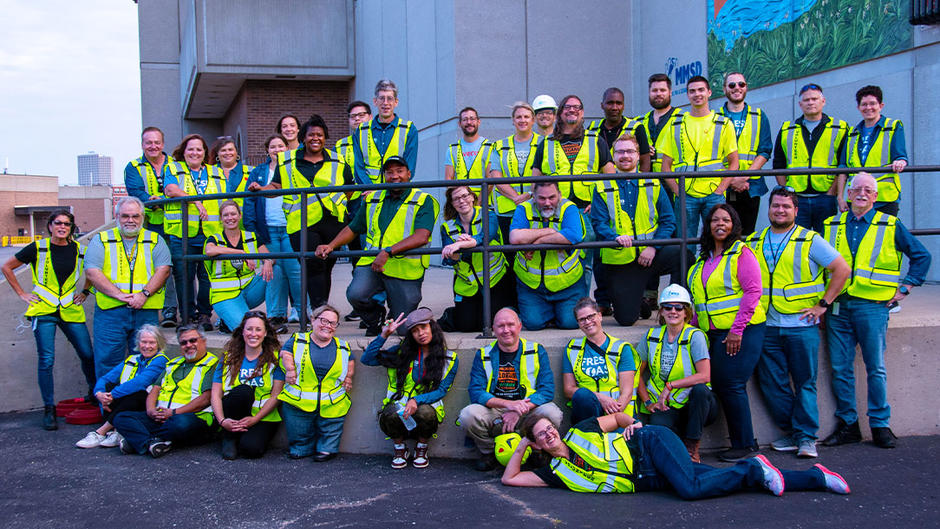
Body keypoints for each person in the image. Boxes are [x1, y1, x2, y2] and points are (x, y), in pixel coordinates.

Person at [821, 172, 931, 449]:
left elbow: (921, 256)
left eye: (867, 190)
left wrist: (905, 288)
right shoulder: (830, 224)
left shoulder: (891, 224)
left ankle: (880, 425)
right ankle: (848, 425)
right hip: (837, 307)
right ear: (847, 194)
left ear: (876, 196)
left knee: (876, 369)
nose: (861, 193)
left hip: (872, 308)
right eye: (855, 188)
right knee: (840, 369)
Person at [501, 414, 852, 499]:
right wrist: (521, 446)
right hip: (650, 477)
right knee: (707, 480)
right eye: (540, 435)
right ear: (538, 444)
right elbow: (510, 478)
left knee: (691, 489)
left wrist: (634, 422)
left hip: (651, 444)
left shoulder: (582, 429)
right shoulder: (555, 473)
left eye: (549, 428)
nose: (548, 434)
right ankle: (815, 478)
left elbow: (622, 417)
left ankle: (751, 466)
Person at [746, 186, 850, 458]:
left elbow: (842, 269)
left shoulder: (810, 239)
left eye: (786, 206)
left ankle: (806, 438)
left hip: (801, 326)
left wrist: (823, 305)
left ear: (796, 210)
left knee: (805, 382)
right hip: (767, 324)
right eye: (776, 205)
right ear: (768, 209)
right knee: (771, 382)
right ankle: (794, 432)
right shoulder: (755, 241)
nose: (780, 210)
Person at [316, 156, 438, 336]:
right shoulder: (373, 198)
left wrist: (388, 252)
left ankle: (396, 310)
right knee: (356, 294)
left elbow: (422, 236)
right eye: (389, 172)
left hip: (404, 268)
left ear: (409, 174)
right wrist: (331, 245)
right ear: (384, 176)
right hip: (372, 263)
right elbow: (354, 227)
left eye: (399, 171)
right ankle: (375, 318)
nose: (394, 176)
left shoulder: (424, 199)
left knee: (403, 330)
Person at [1, 209, 96, 430]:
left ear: (72, 227)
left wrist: (85, 292)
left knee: (87, 354)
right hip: (43, 310)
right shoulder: (38, 247)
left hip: (70, 310)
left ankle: (93, 393)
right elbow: (7, 267)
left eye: (67, 224)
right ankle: (49, 409)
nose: (62, 227)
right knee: (46, 360)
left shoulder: (81, 250)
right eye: (58, 223)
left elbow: (92, 272)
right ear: (50, 225)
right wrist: (22, 294)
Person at [687, 203, 765, 462]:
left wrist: (737, 330)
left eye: (726, 220)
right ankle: (742, 441)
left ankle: (745, 444)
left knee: (731, 384)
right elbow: (700, 301)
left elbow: (753, 292)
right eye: (715, 220)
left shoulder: (742, 253)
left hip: (741, 331)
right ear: (708, 225)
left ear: (734, 225)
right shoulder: (704, 258)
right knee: (720, 383)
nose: (720, 224)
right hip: (713, 334)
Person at [259, 114, 352, 310]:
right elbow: (276, 186)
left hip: (333, 222)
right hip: (301, 223)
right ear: (303, 138)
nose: (315, 138)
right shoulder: (287, 160)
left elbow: (350, 188)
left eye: (319, 135)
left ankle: (322, 309)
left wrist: (341, 200)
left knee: (326, 267)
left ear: (325, 137)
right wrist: (261, 190)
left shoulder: (338, 160)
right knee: (314, 263)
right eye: (311, 135)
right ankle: (319, 310)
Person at [590, 133, 683, 326]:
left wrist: (653, 246)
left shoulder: (652, 182)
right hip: (621, 259)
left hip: (651, 255)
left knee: (683, 254)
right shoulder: (601, 185)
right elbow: (599, 223)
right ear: (613, 156)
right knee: (626, 319)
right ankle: (637, 301)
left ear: (638, 155)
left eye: (630, 151)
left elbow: (668, 221)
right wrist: (615, 237)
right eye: (620, 151)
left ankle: (672, 306)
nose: (625, 156)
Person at [530, 94, 616, 296]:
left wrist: (598, 204)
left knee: (589, 259)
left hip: (588, 209)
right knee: (559, 258)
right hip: (556, 210)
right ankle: (561, 302)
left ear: (582, 112)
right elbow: (535, 180)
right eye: (567, 107)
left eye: (577, 107)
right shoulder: (546, 143)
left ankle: (584, 303)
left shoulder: (596, 140)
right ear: (560, 113)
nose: (572, 110)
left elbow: (610, 177)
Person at [458, 308, 563, 471]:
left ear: (519, 326)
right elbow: (476, 392)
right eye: (500, 326)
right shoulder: (483, 354)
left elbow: (547, 390)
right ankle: (490, 452)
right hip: (496, 410)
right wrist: (508, 405)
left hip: (527, 409)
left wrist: (519, 410)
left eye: (510, 325)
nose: (506, 330)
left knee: (552, 413)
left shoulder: (536, 350)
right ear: (493, 329)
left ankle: (537, 451)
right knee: (468, 415)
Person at [361, 307, 459, 469]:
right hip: (398, 410)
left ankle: (421, 448)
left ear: (432, 328)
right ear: (411, 336)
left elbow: (442, 391)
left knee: (425, 412)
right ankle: (400, 448)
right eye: (415, 331)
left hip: (425, 412)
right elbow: (367, 359)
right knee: (389, 413)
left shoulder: (449, 359)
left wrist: (416, 400)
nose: (420, 333)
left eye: (423, 328)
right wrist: (384, 335)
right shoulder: (400, 353)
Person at [84, 197, 171, 379]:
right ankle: (109, 405)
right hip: (110, 311)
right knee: (107, 361)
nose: (130, 220)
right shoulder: (101, 240)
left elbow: (163, 270)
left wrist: (144, 294)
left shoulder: (156, 240)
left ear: (142, 217)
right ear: (117, 216)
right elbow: (92, 272)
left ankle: (140, 406)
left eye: (135, 216)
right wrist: (120, 296)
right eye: (125, 216)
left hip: (145, 309)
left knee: (147, 360)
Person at [635, 284, 717, 463]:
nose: (673, 311)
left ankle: (692, 447)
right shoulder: (651, 336)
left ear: (686, 311)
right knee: (658, 431)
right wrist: (647, 401)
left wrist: (671, 385)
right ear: (661, 311)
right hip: (665, 405)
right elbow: (636, 374)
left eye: (678, 307)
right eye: (667, 307)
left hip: (696, 407)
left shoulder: (695, 336)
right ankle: (678, 445)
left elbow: (705, 376)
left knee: (701, 390)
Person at [112, 324, 219, 457]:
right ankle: (151, 443)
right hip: (162, 416)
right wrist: (151, 411)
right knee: (121, 418)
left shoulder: (212, 363)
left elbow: (205, 399)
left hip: (192, 416)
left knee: (181, 424)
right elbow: (155, 390)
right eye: (184, 342)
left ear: (203, 341)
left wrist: (173, 413)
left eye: (193, 340)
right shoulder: (173, 364)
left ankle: (139, 440)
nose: (189, 345)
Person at [659, 75, 739, 242]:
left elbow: (734, 162)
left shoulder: (723, 124)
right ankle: (689, 269)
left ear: (709, 92)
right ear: (687, 95)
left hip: (714, 193)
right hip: (685, 194)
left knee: (718, 241)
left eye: (701, 90)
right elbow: (665, 166)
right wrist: (677, 191)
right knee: (685, 243)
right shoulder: (675, 124)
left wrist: (721, 189)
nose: (697, 94)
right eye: (692, 91)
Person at [163, 133, 227, 329]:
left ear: (205, 152)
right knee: (184, 276)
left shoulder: (215, 171)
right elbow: (171, 190)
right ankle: (188, 316)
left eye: (199, 149)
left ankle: (205, 314)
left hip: (210, 232)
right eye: (190, 149)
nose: (195, 152)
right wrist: (196, 201)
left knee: (207, 276)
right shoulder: (173, 168)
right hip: (182, 234)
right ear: (184, 151)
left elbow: (224, 200)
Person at [278, 305, 354, 461]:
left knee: (331, 427)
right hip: (299, 399)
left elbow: (350, 361)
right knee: (299, 427)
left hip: (332, 400)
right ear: (313, 320)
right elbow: (285, 353)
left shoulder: (343, 346)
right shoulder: (298, 340)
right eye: (324, 320)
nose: (328, 326)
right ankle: (301, 447)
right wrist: (290, 369)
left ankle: (327, 448)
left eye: (333, 323)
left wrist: (348, 378)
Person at [75, 324, 169, 448]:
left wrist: (112, 395)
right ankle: (115, 431)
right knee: (108, 386)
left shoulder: (161, 360)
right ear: (138, 343)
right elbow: (105, 378)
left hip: (147, 405)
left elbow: (140, 382)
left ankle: (101, 432)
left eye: (152, 342)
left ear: (159, 344)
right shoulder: (132, 358)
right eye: (143, 342)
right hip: (126, 402)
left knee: (137, 393)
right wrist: (100, 394)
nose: (147, 346)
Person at [773, 83, 850, 232]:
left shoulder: (839, 128)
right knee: (798, 242)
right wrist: (787, 191)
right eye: (807, 100)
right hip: (797, 197)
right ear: (800, 104)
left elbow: (843, 164)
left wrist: (832, 193)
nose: (811, 103)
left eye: (814, 99)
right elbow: (778, 164)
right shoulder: (787, 129)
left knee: (826, 241)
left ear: (823, 101)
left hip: (825, 197)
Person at [509, 181, 586, 330]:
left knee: (570, 323)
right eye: (542, 198)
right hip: (531, 285)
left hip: (568, 283)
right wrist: (550, 232)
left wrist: (538, 242)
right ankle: (550, 312)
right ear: (533, 197)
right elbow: (515, 237)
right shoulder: (524, 208)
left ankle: (555, 312)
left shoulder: (568, 207)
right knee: (533, 324)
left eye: (552, 197)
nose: (547, 203)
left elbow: (573, 235)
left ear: (560, 195)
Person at [123, 126, 179, 327]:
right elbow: (136, 192)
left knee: (182, 267)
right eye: (149, 142)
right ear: (142, 145)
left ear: (163, 144)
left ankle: (190, 312)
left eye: (157, 142)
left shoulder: (176, 164)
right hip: (149, 226)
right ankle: (169, 310)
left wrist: (161, 199)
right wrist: (152, 200)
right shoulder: (133, 166)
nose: (153, 146)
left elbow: (182, 188)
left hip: (177, 225)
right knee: (162, 268)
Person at [210, 311, 285, 459]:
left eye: (258, 329)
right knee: (244, 391)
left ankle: (241, 439)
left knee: (252, 450)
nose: (253, 334)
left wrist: (255, 420)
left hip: (262, 416)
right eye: (249, 329)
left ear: (265, 333)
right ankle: (229, 437)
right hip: (231, 412)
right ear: (242, 332)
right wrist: (222, 421)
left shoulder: (276, 360)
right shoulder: (228, 358)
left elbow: (276, 396)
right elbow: (215, 394)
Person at [243, 134, 297, 334]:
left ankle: (302, 314)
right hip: (269, 229)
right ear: (267, 151)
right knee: (273, 272)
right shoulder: (258, 171)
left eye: (281, 146)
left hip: (291, 227)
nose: (277, 150)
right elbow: (249, 202)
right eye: (273, 146)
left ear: (287, 148)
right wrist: (253, 232)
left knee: (296, 270)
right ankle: (276, 315)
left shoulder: (294, 167)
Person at [440, 186, 512, 332]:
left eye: (465, 196)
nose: (462, 201)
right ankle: (451, 313)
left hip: (494, 278)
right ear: (452, 204)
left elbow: (486, 237)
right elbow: (449, 259)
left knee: (490, 323)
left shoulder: (488, 215)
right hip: (467, 283)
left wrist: (462, 243)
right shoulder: (447, 227)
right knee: (466, 326)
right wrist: (456, 251)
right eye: (456, 199)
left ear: (473, 197)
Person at [563, 298, 637, 425]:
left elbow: (627, 392)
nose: (587, 322)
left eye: (591, 316)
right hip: (587, 410)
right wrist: (599, 397)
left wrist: (614, 416)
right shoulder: (572, 348)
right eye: (582, 319)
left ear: (600, 316)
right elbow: (568, 389)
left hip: (616, 411)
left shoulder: (622, 348)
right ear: (578, 323)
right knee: (582, 395)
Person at [204, 201, 274, 333]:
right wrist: (241, 253)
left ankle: (274, 317)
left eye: (233, 214)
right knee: (245, 330)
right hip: (225, 295)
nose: (230, 218)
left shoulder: (251, 236)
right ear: (221, 219)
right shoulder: (214, 238)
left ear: (240, 215)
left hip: (249, 290)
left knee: (276, 270)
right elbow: (209, 251)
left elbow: (269, 256)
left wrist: (268, 261)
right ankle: (227, 318)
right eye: (225, 215)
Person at [717, 72, 773, 235]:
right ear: (724, 89)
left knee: (747, 235)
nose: (737, 88)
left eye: (741, 84)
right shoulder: (715, 117)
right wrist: (731, 180)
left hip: (750, 186)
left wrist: (742, 178)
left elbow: (764, 150)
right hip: (723, 186)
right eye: (732, 85)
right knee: (723, 234)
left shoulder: (759, 116)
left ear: (746, 87)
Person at [844, 85, 908, 216]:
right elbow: (843, 166)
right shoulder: (852, 133)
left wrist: (901, 161)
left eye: (873, 103)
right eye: (864, 104)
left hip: (885, 197)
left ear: (881, 105)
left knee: (885, 234)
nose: (868, 108)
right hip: (857, 197)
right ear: (858, 107)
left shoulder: (893, 126)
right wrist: (840, 197)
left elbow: (900, 155)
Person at [353, 79, 418, 185]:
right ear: (375, 101)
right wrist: (370, 189)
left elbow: (410, 167)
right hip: (368, 195)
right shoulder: (361, 130)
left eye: (390, 98)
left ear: (396, 102)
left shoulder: (409, 129)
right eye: (382, 98)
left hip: (396, 193)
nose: (385, 103)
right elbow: (358, 167)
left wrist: (393, 191)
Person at [493, 102, 540, 247]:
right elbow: (495, 176)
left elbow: (546, 173)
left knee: (533, 249)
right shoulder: (499, 145)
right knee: (509, 251)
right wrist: (516, 197)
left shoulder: (544, 143)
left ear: (533, 120)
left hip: (535, 207)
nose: (522, 120)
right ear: (513, 120)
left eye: (526, 117)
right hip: (507, 210)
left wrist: (530, 194)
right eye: (518, 117)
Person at [585, 87, 651, 171]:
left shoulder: (637, 127)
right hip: (600, 183)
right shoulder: (592, 128)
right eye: (610, 103)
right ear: (602, 105)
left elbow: (645, 160)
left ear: (623, 106)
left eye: (618, 103)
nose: (614, 107)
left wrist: (641, 182)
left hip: (628, 181)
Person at [444, 107, 499, 201]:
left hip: (484, 206)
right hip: (460, 204)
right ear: (459, 124)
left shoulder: (490, 147)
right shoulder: (452, 149)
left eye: (472, 119)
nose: (469, 122)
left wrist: (477, 204)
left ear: (479, 122)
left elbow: (490, 180)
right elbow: (449, 179)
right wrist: (460, 201)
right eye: (465, 119)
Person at [638, 73, 682, 174]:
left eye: (662, 90)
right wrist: (641, 149)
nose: (658, 94)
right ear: (649, 93)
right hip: (645, 179)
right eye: (654, 90)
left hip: (674, 178)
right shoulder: (638, 122)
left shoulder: (683, 118)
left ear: (670, 92)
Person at [210, 137, 254, 214]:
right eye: (223, 150)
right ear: (218, 154)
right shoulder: (208, 172)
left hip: (245, 221)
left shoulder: (252, 171)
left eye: (230, 150)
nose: (227, 153)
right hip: (218, 222)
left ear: (236, 152)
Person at [336, 101, 372, 168]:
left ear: (370, 117)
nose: (357, 118)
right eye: (353, 116)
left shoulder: (380, 141)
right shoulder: (340, 145)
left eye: (361, 115)